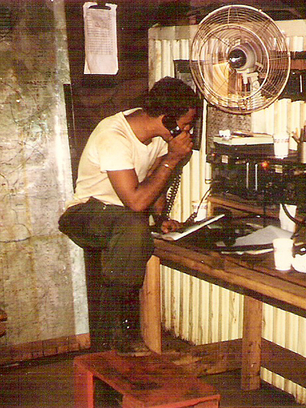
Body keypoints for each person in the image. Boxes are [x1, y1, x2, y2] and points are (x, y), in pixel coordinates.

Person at [58, 77, 201, 354]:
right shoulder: (114, 135)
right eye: (185, 124)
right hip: (85, 212)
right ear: (167, 118)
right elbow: (136, 202)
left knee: (135, 229)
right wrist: (172, 159)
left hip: (122, 218)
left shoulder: (161, 138)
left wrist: (159, 219)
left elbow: (154, 180)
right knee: (134, 226)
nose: (188, 130)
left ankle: (115, 335)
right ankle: (121, 330)